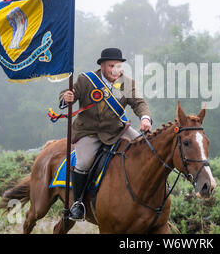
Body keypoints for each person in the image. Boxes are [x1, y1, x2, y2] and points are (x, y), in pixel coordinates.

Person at [59, 47, 152, 221]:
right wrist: (66, 98)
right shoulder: (86, 80)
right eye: (111, 66)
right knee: (84, 162)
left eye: (118, 66)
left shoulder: (126, 83)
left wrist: (145, 118)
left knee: (145, 147)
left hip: (117, 130)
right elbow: (67, 95)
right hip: (89, 131)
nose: (116, 70)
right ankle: (78, 203)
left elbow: (139, 103)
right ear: (102, 65)